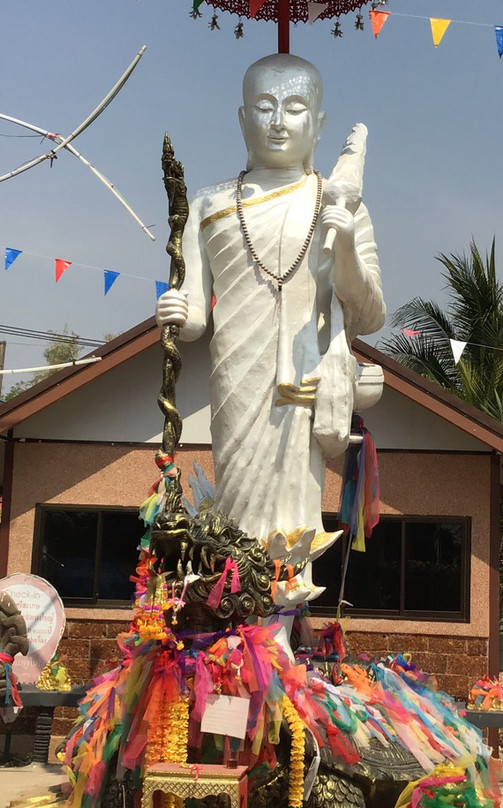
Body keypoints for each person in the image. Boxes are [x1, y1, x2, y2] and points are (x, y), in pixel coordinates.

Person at [155, 53, 384, 571]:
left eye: (295, 107)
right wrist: (175, 308)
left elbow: (368, 312)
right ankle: (235, 610)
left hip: (301, 386)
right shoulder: (208, 205)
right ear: (242, 119)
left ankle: (278, 625)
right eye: (264, 106)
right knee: (236, 504)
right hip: (238, 377)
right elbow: (194, 316)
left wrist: (343, 241)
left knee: (292, 512)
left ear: (319, 124)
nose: (278, 120)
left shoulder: (341, 204)